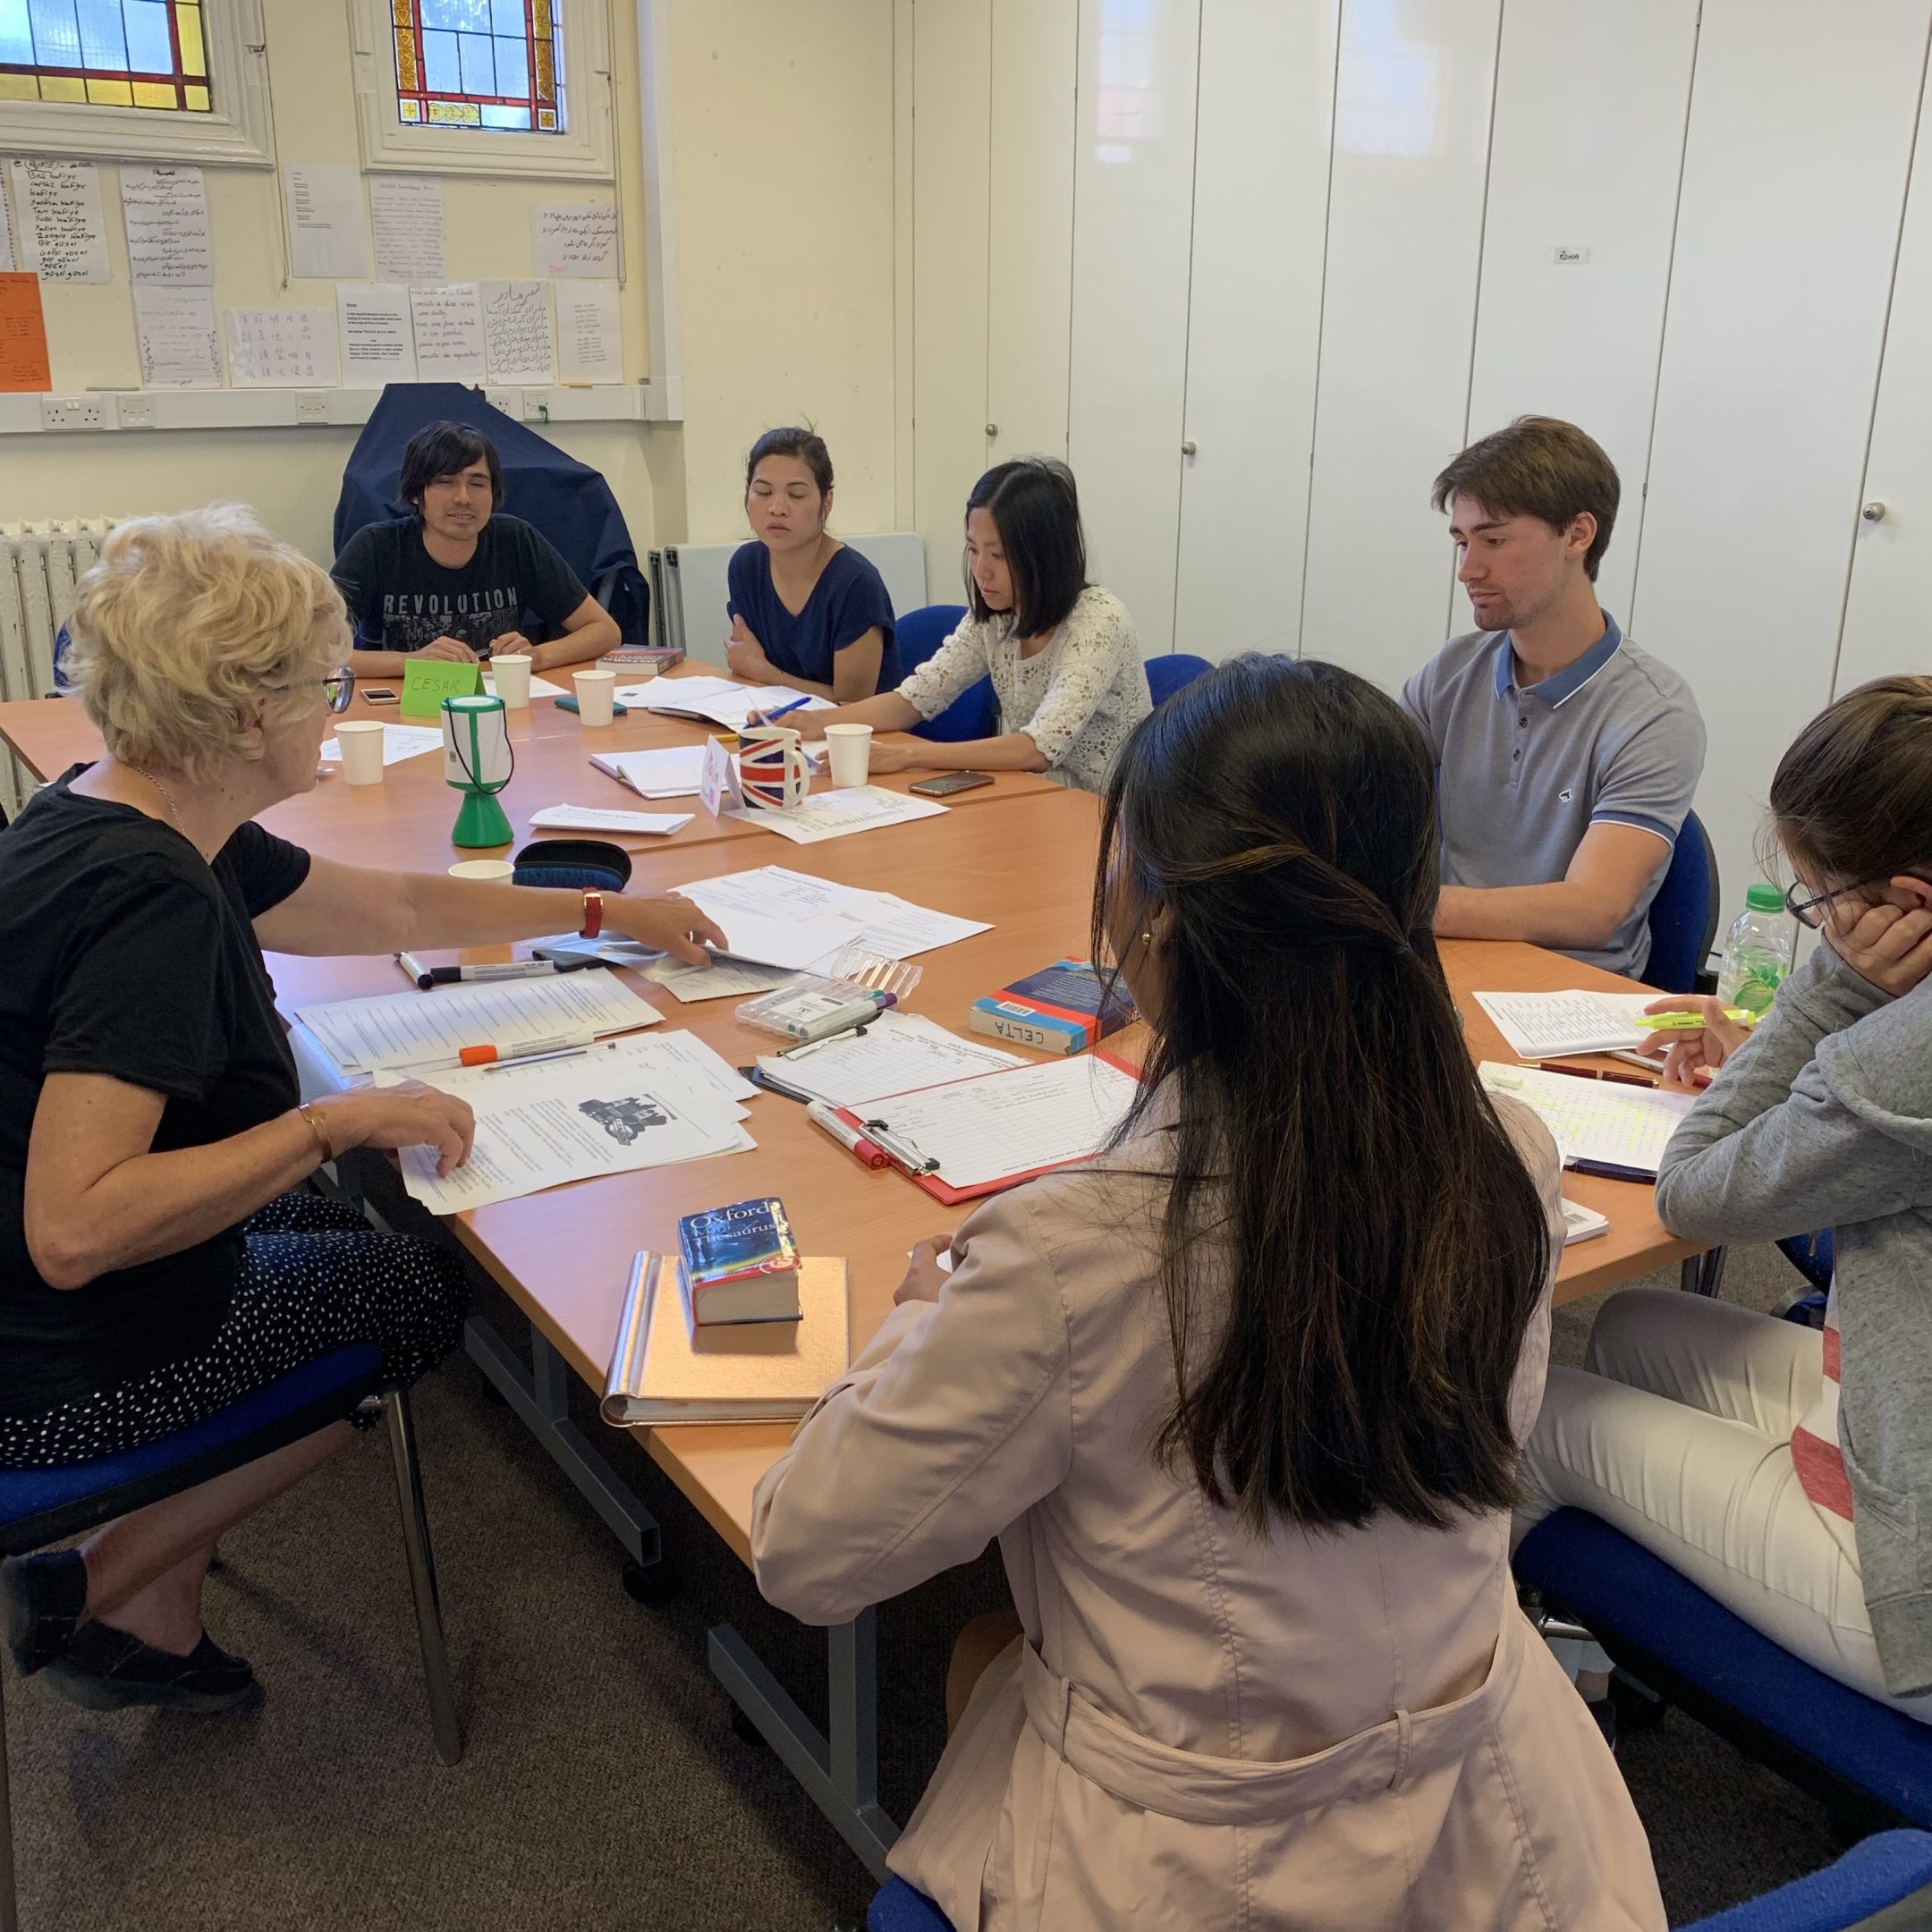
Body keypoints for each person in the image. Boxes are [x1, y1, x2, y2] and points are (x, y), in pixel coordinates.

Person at [750, 656, 1664, 1928]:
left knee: (982, 1659)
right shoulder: (1509, 1153)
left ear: (1160, 921)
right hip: (1497, 1812)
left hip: (1208, 1867)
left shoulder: (1075, 1252)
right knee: (991, 1657)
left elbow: (804, 1554)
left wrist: (914, 1316)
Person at [0, 507, 724, 1714]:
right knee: (416, 1287)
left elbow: (390, 910)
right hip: (55, 1368)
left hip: (35, 1303)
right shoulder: (150, 901)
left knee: (336, 1226)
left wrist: (602, 913)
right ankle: (100, 1581)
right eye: (322, 687)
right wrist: (328, 1125)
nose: (337, 710)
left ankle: (158, 1589)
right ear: (246, 717)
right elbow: (75, 1230)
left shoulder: (129, 809)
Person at [1523, 674, 1932, 1724]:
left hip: (1911, 1580)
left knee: (1527, 1414)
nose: (1820, 926)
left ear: (1910, 906)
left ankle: (1534, 1742)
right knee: (1635, 1324)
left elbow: (1694, 1189)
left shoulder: (1905, 1061)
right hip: (1894, 1397)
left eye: (1822, 904)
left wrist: (1837, 987)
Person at [1402, 416, 1706, 979]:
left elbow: (1589, 912)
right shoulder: (1449, 673)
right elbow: (1360, 796)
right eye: (1462, 542)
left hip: (1569, 993)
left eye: (1493, 540)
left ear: (1577, 535)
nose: (1468, 570)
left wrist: (1394, 907)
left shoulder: (1655, 712)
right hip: (1443, 964)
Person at [790, 459, 1151, 794]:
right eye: (973, 550)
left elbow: (1037, 749)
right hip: (1038, 797)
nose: (981, 570)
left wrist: (905, 756)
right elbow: (916, 698)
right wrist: (817, 721)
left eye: (998, 555)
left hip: (1113, 811)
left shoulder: (1098, 620)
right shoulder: (997, 617)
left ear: (1044, 556)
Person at [331, 419, 619, 678]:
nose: (463, 498)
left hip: (497, 702)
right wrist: (412, 661)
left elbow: (605, 631)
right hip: (405, 705)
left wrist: (537, 656)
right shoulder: (376, 546)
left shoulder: (515, 540)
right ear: (417, 493)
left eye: (477, 483)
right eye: (446, 482)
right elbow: (316, 651)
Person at [724, 427, 900, 701]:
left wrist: (765, 672)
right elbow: (745, 669)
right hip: (775, 718)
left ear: (826, 502)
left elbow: (850, 704)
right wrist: (757, 672)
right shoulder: (745, 567)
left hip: (855, 727)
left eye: (796, 495)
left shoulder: (856, 583)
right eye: (763, 492)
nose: (777, 508)